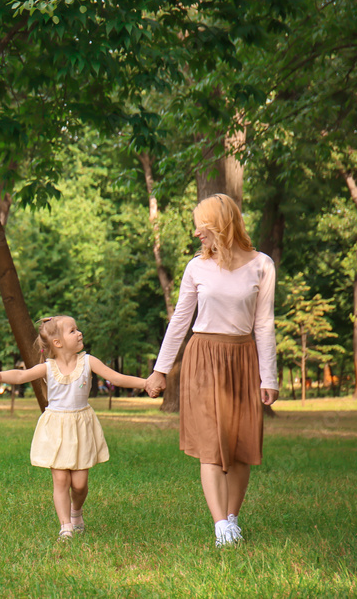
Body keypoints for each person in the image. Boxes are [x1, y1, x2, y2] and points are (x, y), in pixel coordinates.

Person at [144, 193, 278, 547]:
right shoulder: (196, 267)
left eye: (200, 225)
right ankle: (220, 526)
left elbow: (264, 324)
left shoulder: (262, 264)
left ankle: (233, 518)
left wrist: (270, 377)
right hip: (203, 358)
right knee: (210, 445)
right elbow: (179, 323)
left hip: (243, 358)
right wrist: (160, 370)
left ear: (220, 224)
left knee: (240, 445)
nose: (196, 233)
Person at [0, 316, 148, 539]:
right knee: (60, 480)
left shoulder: (88, 362)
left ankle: (76, 512)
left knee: (79, 484)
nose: (79, 333)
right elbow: (21, 375)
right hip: (56, 429)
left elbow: (115, 378)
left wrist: (145, 383)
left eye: (77, 330)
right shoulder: (48, 368)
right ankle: (65, 526)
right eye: (72, 331)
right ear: (57, 343)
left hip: (81, 427)